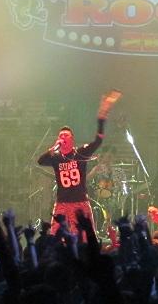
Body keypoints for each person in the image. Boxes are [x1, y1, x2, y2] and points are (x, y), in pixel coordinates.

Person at [38, 91, 120, 236]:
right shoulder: (56, 157)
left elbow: (98, 141)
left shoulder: (81, 152)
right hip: (62, 203)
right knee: (56, 237)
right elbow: (41, 161)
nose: (63, 137)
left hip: (80, 202)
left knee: (85, 237)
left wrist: (102, 117)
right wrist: (53, 148)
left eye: (66, 135)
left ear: (72, 139)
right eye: (61, 135)